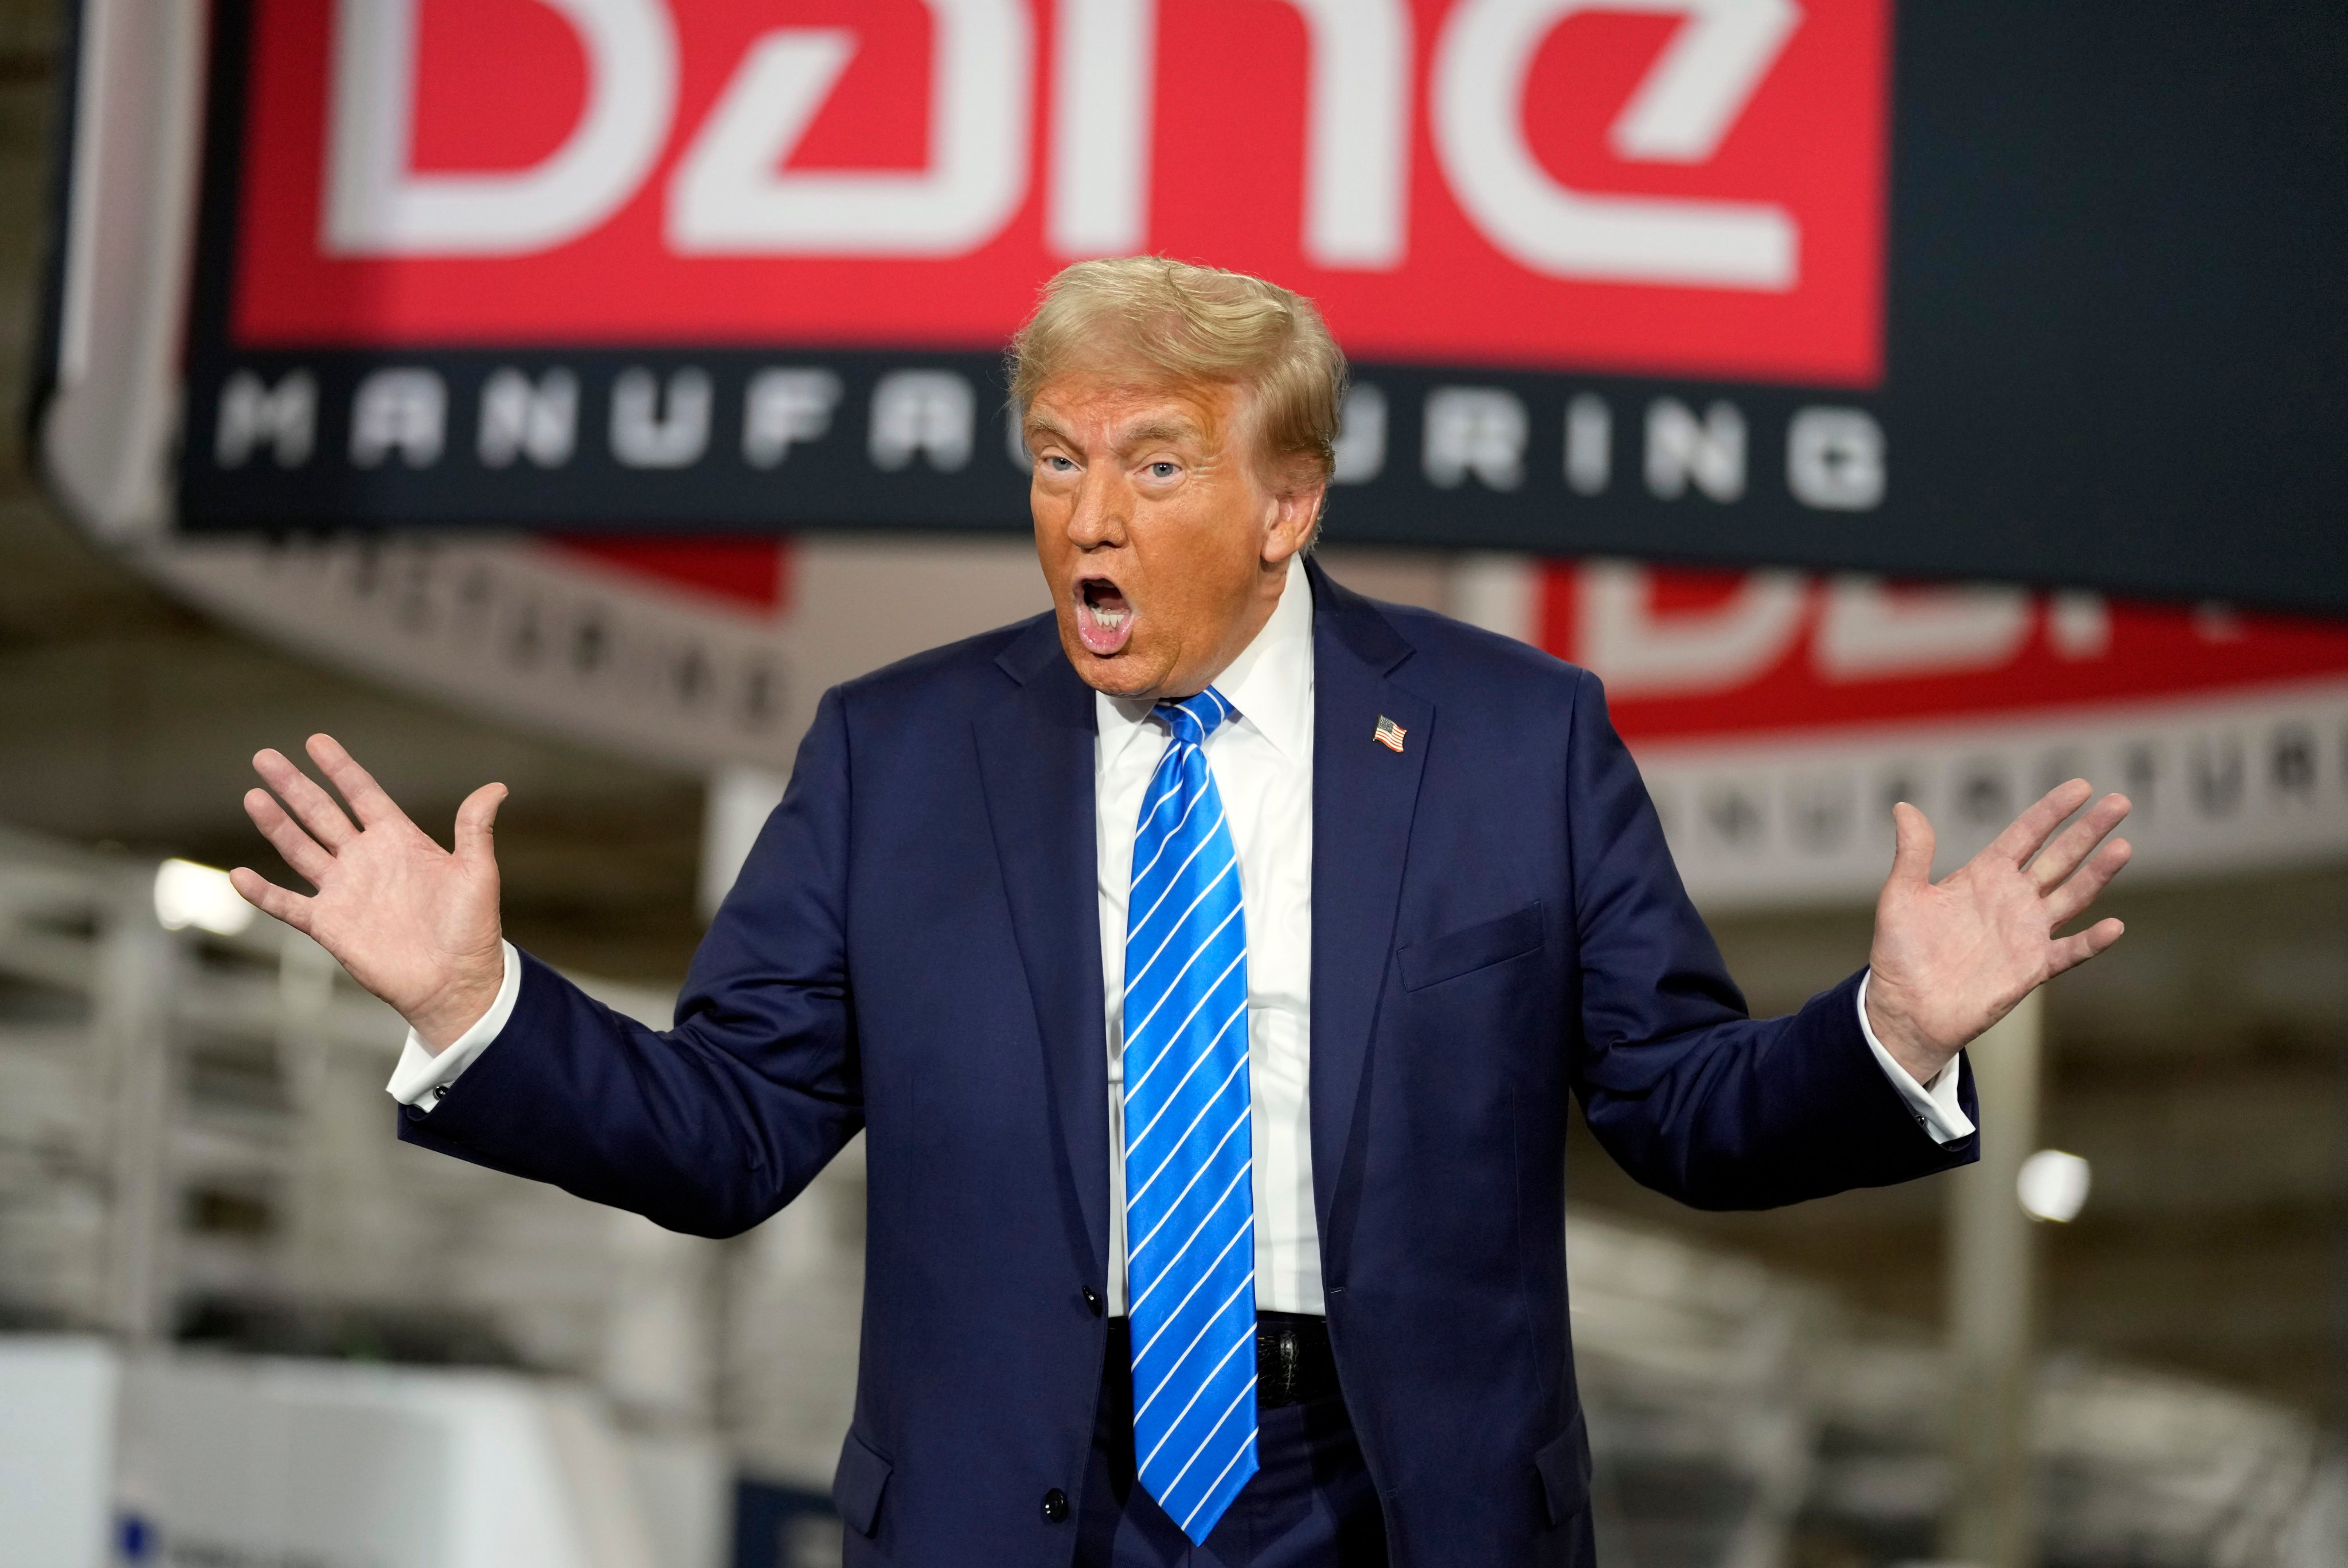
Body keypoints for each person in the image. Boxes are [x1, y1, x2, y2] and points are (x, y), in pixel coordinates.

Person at [230, 259, 2131, 1568]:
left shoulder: (1510, 741)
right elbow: (731, 1136)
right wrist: (483, 1010)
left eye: (1153, 464)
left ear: (1288, 500)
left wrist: (1886, 1036)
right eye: (1057, 461)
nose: (1090, 517)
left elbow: (1677, 1108)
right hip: (1023, 1496)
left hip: (1397, 1499)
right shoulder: (899, 757)